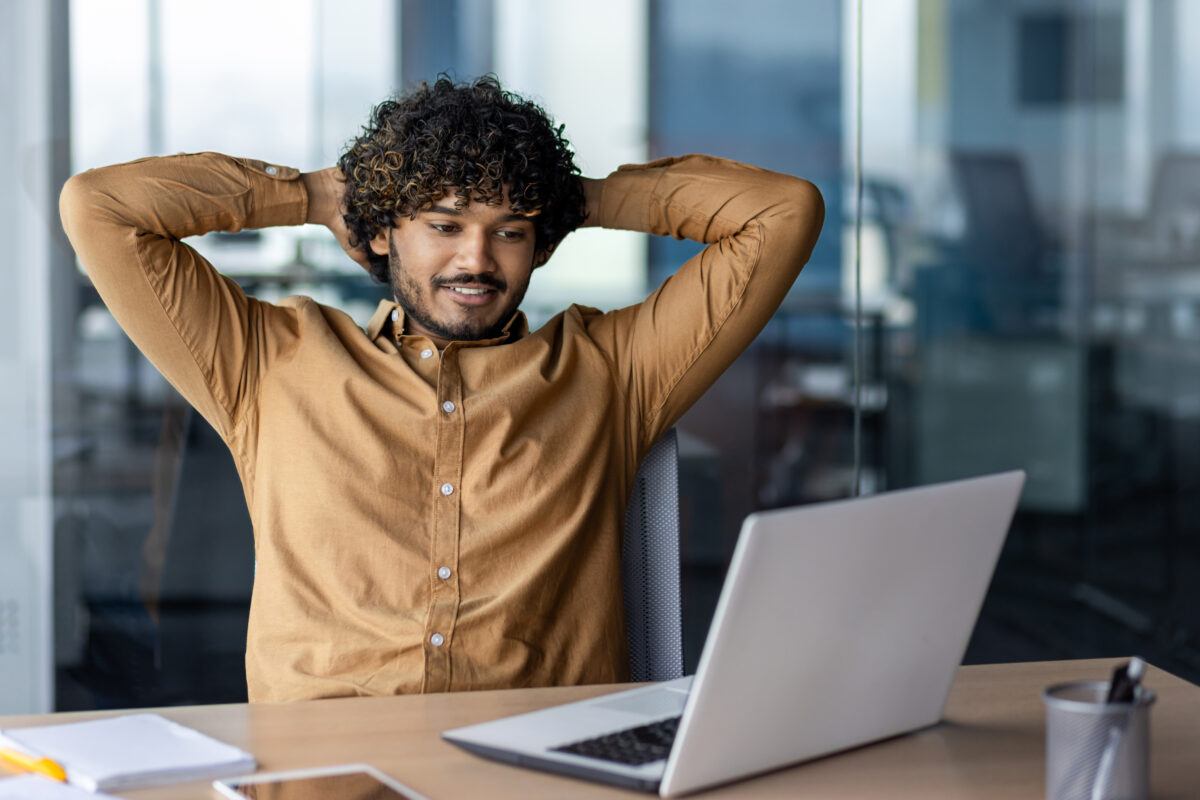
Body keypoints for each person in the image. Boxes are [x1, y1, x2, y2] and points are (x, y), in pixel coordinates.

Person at [59, 76, 824, 703]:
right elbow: (100, 208)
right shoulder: (266, 363)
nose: (477, 260)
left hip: (536, 766)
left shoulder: (613, 371)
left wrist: (567, 197)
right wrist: (325, 194)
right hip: (325, 775)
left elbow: (782, 212)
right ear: (384, 231)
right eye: (445, 223)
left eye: (511, 229)